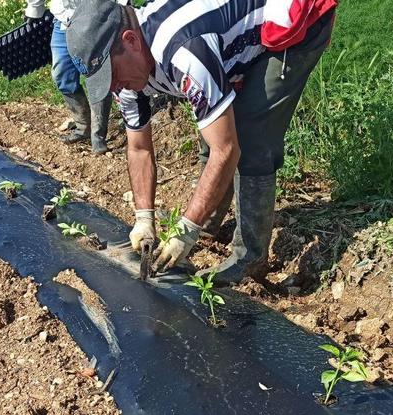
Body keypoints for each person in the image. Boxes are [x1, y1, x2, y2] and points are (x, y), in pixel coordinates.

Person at [65, 0, 336, 285]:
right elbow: (139, 148)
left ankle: (250, 258)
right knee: (213, 131)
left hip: (289, 22)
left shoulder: (184, 53)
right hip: (227, 35)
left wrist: (186, 228)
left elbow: (227, 149)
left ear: (130, 40)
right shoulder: (126, 77)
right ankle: (208, 223)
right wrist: (144, 216)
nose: (113, 86)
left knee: (249, 137)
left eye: (113, 74)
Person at [24, 0, 114, 154]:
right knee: (62, 74)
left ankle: (98, 135)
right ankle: (83, 126)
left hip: (96, 18)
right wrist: (34, 8)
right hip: (64, 19)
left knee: (97, 74)